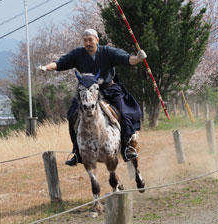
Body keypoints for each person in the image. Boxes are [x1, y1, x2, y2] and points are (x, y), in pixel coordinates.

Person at [38, 28, 146, 166]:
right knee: (72, 116)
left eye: (90, 40)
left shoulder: (108, 52)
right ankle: (77, 152)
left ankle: (126, 147)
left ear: (97, 40)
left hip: (109, 89)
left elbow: (127, 59)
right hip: (87, 92)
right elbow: (60, 63)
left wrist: (138, 58)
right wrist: (46, 68)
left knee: (124, 114)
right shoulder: (78, 54)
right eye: (85, 40)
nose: (88, 43)